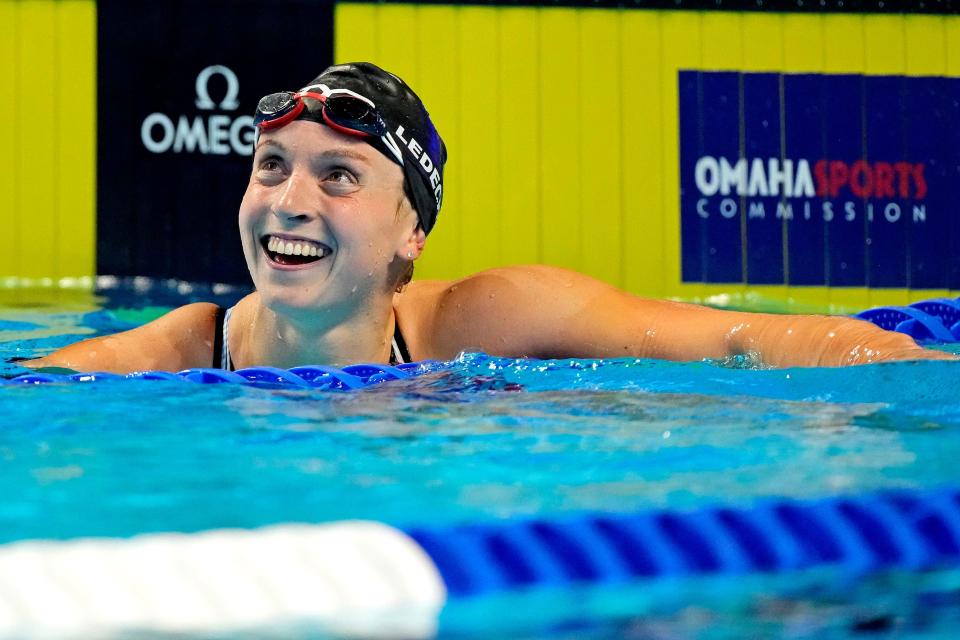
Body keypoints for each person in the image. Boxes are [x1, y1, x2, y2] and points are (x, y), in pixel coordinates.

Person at [25, 63, 955, 374]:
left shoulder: (484, 324)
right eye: (272, 166)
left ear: (410, 232)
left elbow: (739, 346)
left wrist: (920, 371)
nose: (289, 202)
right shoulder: (181, 353)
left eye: (339, 177)